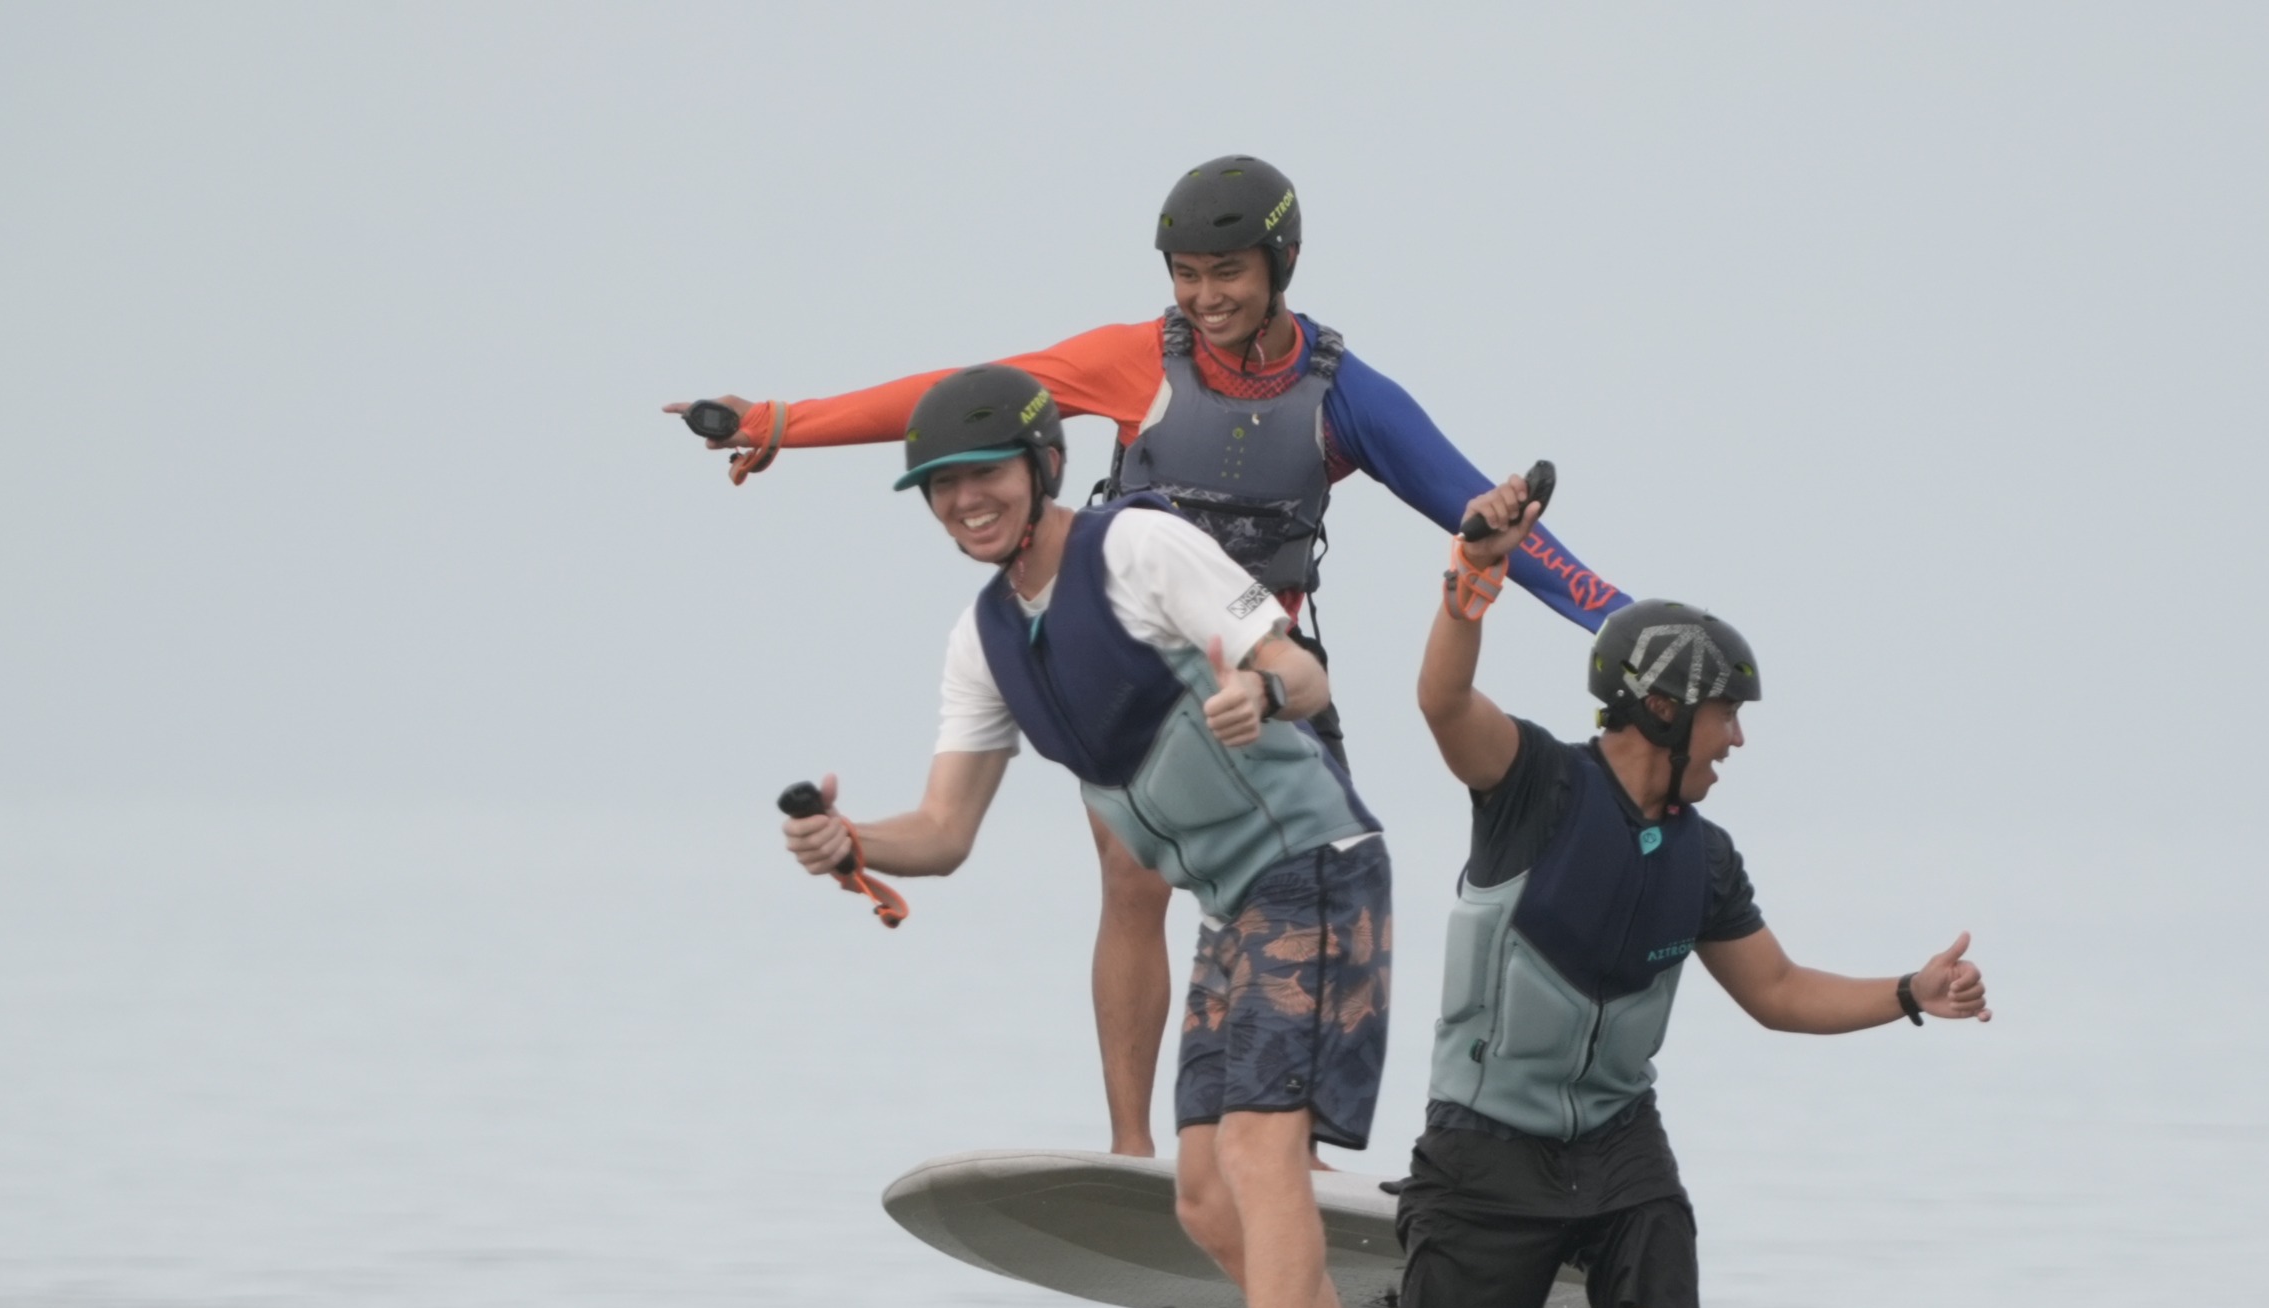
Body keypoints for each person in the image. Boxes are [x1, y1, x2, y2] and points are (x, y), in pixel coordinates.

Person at [678, 155, 1628, 1159]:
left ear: (1282, 263)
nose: (1206, 296)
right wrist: (787, 423)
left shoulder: (1344, 396)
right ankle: (1132, 1152)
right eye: (1186, 272)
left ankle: (1289, 1153)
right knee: (1133, 877)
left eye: (1228, 272)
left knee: (1309, 882)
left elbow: (1478, 507)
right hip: (1137, 656)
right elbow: (961, 401)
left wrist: (1618, 618)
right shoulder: (1138, 360)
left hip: (1262, 656)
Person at [781, 364, 1403, 1308]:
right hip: (1232, 905)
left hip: (1313, 866)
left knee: (1262, 1160)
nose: (965, 501)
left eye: (983, 476)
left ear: (1042, 466)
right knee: (1209, 1202)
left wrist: (1260, 689)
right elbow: (946, 828)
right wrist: (851, 841)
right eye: (939, 487)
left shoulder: (1136, 549)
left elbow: (1299, 673)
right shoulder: (984, 638)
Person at [1391, 475, 1993, 1308]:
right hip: (1485, 1142)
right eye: (1728, 713)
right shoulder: (1535, 785)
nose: (1738, 740)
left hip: (1620, 1145)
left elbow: (1776, 989)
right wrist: (1475, 575)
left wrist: (1910, 991)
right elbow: (1440, 703)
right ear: (1663, 707)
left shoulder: (1706, 857)